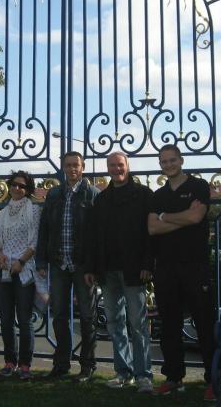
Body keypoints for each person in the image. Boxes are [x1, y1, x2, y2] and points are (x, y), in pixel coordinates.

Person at [147, 144, 217, 402]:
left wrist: (166, 217)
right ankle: (173, 378)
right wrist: (182, 216)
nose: (168, 165)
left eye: (172, 160)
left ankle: (214, 378)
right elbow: (152, 228)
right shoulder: (158, 195)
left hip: (195, 265)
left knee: (204, 323)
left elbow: (196, 218)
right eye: (163, 161)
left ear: (181, 160)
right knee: (170, 326)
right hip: (165, 267)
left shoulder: (198, 186)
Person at [83, 152, 154, 393]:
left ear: (127, 166)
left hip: (135, 269)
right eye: (112, 165)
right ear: (108, 168)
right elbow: (93, 236)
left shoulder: (144, 194)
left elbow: (150, 234)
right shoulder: (102, 199)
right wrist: (91, 267)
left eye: (120, 165)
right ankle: (123, 372)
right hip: (108, 270)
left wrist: (148, 264)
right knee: (114, 323)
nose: (116, 169)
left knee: (138, 324)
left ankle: (144, 375)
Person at [36, 151, 100, 381]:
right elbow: (44, 228)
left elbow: (98, 235)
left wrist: (93, 266)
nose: (72, 169)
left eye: (76, 165)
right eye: (68, 165)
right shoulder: (54, 194)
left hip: (83, 265)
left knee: (88, 317)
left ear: (83, 167)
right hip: (58, 263)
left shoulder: (92, 194)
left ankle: (87, 366)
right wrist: (41, 260)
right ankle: (61, 364)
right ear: (63, 168)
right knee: (60, 316)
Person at [0, 171, 41, 381]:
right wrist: (0, 255)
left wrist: (21, 261)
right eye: (14, 185)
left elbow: (35, 241)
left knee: (24, 319)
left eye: (22, 186)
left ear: (28, 190)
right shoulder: (3, 212)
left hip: (24, 270)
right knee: (7, 319)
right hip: (4, 270)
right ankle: (10, 362)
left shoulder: (33, 211)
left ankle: (25, 365)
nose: (17, 188)